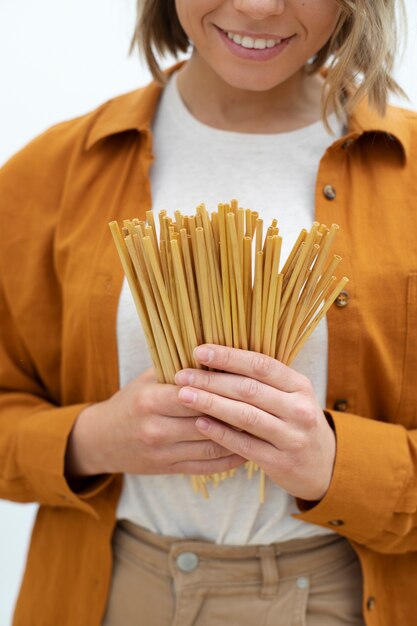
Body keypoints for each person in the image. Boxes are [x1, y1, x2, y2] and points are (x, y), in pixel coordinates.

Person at [1, 0, 416, 624]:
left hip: (345, 597)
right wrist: (93, 439)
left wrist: (337, 465)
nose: (256, 6)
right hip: (116, 595)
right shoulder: (48, 174)